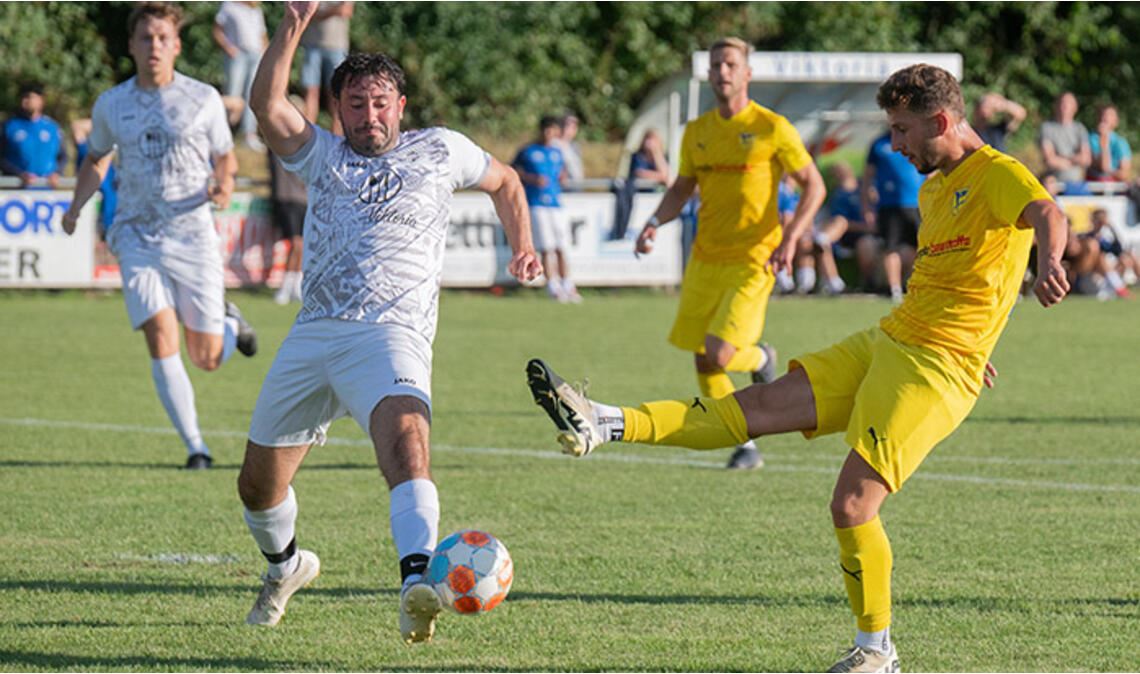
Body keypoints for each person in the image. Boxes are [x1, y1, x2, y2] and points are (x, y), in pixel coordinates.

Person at [526, 63, 1069, 672]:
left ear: (941, 121)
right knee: (750, 408)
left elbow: (1049, 215)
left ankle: (876, 651)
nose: (894, 144)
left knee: (852, 506)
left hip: (934, 367)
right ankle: (603, 422)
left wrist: (1049, 265)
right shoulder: (934, 187)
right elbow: (966, 276)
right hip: (890, 341)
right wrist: (984, 333)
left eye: (901, 129)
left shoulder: (996, 173)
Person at [241, 0, 541, 644]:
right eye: (354, 103)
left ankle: (415, 584)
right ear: (335, 111)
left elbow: (507, 182)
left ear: (400, 105)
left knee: (408, 445)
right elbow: (265, 105)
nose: (368, 114)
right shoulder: (320, 155)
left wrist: (522, 244)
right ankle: (286, 567)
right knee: (257, 488)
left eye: (380, 102)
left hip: (390, 334)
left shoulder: (441, 151)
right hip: (315, 332)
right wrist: (292, 26)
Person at [61, 2, 257, 471]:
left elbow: (224, 156)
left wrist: (224, 183)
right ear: (131, 45)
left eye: (163, 38)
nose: (154, 46)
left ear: (177, 45)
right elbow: (97, 159)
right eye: (146, 38)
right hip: (136, 235)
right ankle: (197, 448)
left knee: (207, 356)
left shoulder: (203, 99)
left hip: (192, 234)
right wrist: (75, 207)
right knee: (159, 331)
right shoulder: (112, 104)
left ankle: (229, 326)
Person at [633, 37, 825, 470]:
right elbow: (683, 188)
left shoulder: (771, 127)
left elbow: (815, 185)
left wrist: (791, 237)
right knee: (703, 356)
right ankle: (745, 444)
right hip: (705, 257)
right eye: (717, 64)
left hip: (755, 256)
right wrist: (653, 223)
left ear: (747, 74)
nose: (722, 71)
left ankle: (762, 358)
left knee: (720, 352)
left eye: (731, 64)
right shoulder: (697, 132)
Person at [513, 116, 579, 302]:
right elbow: (512, 171)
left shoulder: (558, 152)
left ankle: (568, 284)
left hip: (556, 203)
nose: (549, 134)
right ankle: (553, 285)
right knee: (547, 246)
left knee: (562, 246)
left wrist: (563, 176)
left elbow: (562, 171)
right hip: (536, 203)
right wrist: (530, 178)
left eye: (552, 130)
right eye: (546, 129)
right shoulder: (528, 151)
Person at [862, 129, 924, 303]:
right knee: (891, 247)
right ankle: (894, 288)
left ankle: (912, 285)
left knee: (918, 247)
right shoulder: (879, 144)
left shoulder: (915, 138)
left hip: (916, 204)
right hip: (889, 205)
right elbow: (867, 178)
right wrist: (867, 207)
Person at [213, 1, 268, 151]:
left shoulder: (256, 11)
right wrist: (229, 48)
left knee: (252, 95)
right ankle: (224, 135)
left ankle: (249, 135)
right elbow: (217, 31)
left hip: (255, 56)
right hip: (238, 56)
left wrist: (265, 55)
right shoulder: (229, 6)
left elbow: (262, 35)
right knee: (232, 95)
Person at [300, 1, 353, 135]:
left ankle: (337, 137)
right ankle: (307, 136)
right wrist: (334, 10)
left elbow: (346, 11)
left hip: (337, 47)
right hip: (311, 46)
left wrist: (322, 12)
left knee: (336, 95)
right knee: (310, 91)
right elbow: (306, 13)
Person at [1, 82, 66, 188]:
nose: (25, 101)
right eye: (23, 97)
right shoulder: (9, 126)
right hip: (17, 192)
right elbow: (2, 159)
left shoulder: (52, 127)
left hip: (47, 193)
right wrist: (19, 174)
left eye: (29, 97)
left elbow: (62, 157)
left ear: (41, 100)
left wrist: (57, 173)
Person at [611, 128, 668, 241]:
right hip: (637, 195)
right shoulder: (637, 156)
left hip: (653, 199)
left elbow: (665, 176)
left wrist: (656, 153)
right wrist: (657, 176)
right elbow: (638, 173)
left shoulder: (661, 157)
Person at [268, 147, 306, 304]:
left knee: (301, 245)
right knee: (296, 244)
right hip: (287, 199)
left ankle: (295, 285)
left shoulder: (309, 148)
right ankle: (285, 286)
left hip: (304, 200)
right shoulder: (281, 146)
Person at [1039, 91, 1091, 189]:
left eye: (1068, 103)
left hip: (1077, 184)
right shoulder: (1047, 128)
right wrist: (1075, 160)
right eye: (1062, 103)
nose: (1065, 106)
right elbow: (1050, 160)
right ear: (1056, 106)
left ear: (1075, 107)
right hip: (1053, 184)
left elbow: (1086, 159)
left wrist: (1063, 159)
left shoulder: (1080, 129)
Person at [1087, 104, 1132, 183]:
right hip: (1093, 184)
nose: (1105, 117)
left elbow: (1124, 174)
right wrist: (1104, 143)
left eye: (1109, 114)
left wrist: (1109, 172)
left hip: (1115, 187)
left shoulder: (1121, 142)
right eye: (1103, 114)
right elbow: (1102, 166)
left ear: (1116, 122)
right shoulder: (1088, 139)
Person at [554, 111, 585, 183]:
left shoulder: (575, 146)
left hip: (576, 188)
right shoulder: (553, 145)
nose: (573, 129)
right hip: (561, 189)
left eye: (575, 126)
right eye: (568, 125)